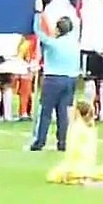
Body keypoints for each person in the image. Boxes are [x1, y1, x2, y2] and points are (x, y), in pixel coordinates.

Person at [29, 14, 81, 152]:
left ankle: (40, 141)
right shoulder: (75, 44)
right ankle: (62, 142)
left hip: (53, 79)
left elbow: (38, 32)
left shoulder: (54, 43)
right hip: (71, 79)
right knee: (63, 112)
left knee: (45, 112)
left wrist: (37, 15)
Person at [46, 101, 98, 184]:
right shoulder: (91, 128)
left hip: (77, 164)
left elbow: (72, 150)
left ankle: (77, 178)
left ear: (77, 112)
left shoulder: (76, 127)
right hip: (90, 165)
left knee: (53, 175)